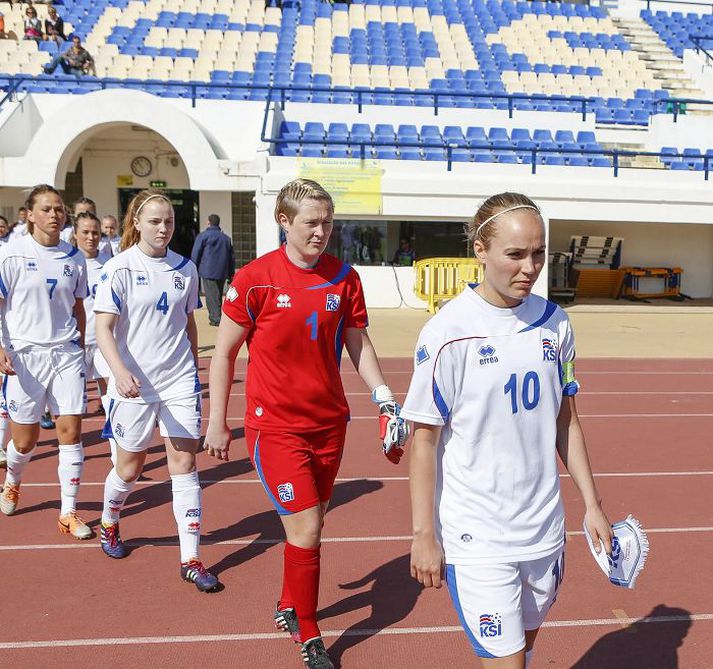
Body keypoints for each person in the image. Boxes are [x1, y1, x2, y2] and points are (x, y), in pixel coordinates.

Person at [403, 192, 613, 669]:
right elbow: (424, 440)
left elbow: (567, 421)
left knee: (526, 648)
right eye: (515, 254)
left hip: (543, 530)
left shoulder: (554, 323)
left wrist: (593, 505)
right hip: (478, 535)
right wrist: (423, 534)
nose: (530, 267)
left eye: (539, 253)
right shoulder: (448, 332)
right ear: (480, 250)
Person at [204, 178, 408, 669]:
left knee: (309, 524)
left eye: (328, 222)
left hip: (329, 424)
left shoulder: (344, 278)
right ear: (284, 222)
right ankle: (310, 632)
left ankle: (287, 602)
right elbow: (224, 353)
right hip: (274, 427)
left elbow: (358, 343)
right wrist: (217, 419)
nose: (322, 232)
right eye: (311, 223)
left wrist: (386, 401)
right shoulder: (255, 279)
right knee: (308, 525)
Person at [94, 189, 218, 592]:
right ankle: (109, 519)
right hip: (134, 385)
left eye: (168, 221)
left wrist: (194, 365)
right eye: (154, 221)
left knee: (184, 464)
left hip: (178, 380)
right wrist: (119, 371)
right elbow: (103, 329)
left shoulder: (186, 268)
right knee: (130, 468)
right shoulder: (119, 268)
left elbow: (189, 323)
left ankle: (191, 558)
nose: (163, 228)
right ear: (137, 223)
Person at [0, 184, 91, 539]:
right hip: (25, 355)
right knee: (25, 441)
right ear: (30, 214)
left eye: (58, 209)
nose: (54, 215)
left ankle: (68, 511)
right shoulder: (11, 254)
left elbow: (78, 306)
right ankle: (12, 481)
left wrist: (79, 344)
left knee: (71, 431)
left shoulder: (74, 257)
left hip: (65, 353)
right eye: (47, 209)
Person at [73, 211, 111, 416]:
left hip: (102, 340)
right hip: (75, 340)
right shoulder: (68, 261)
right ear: (75, 234)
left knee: (109, 388)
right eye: (85, 232)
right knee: (74, 398)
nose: (91, 237)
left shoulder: (110, 264)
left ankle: (115, 436)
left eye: (95, 232)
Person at [190, 213, 234, 326]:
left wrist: (192, 269)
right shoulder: (226, 239)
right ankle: (217, 316)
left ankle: (216, 318)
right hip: (222, 271)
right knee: (218, 295)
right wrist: (231, 274)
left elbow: (196, 253)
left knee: (211, 296)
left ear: (209, 222)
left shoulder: (203, 236)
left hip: (207, 270)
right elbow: (231, 258)